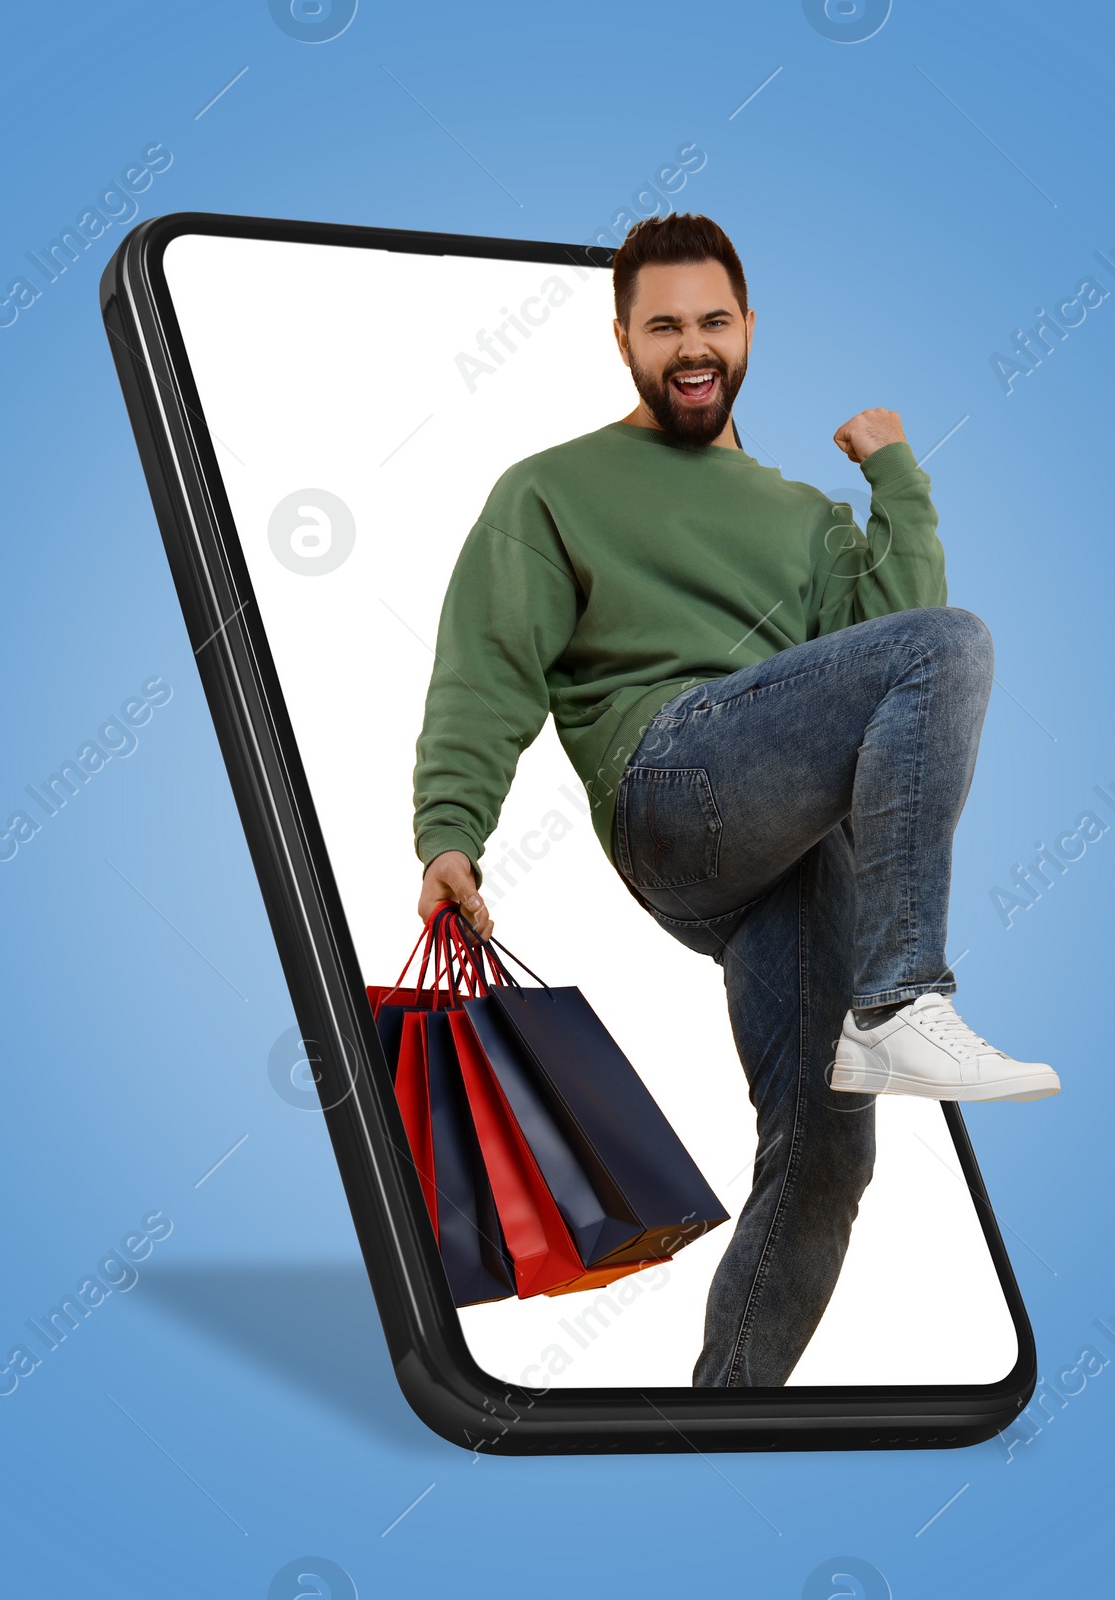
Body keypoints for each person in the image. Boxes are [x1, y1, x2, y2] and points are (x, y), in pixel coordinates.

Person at [409, 212, 1059, 1388]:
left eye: (712, 320)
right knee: (949, 645)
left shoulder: (804, 516)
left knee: (824, 1151)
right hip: (669, 780)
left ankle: (721, 1420)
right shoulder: (551, 489)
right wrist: (451, 831)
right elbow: (486, 665)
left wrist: (893, 481)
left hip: (784, 841)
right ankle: (903, 993)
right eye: (663, 326)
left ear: (748, 329)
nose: (691, 346)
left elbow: (893, 655)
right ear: (622, 340)